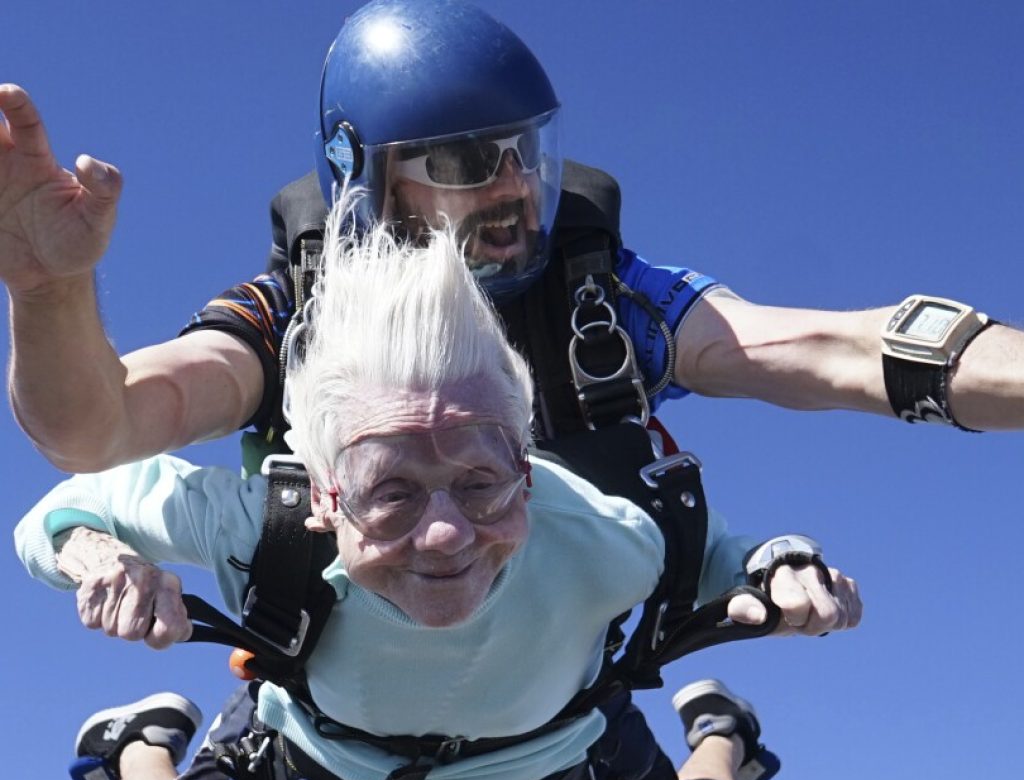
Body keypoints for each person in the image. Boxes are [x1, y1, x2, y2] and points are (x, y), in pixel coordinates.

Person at [15, 201, 862, 780]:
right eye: (390, 491)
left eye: (482, 482)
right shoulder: (258, 522)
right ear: (322, 498)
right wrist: (104, 559)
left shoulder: (604, 535)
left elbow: (713, 547)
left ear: (527, 472)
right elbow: (54, 516)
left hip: (545, 772)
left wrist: (783, 562)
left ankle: (723, 736)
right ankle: (141, 745)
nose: (447, 534)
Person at [1, 0, 1021, 481]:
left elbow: (835, 349)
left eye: (523, 155)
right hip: (340, 708)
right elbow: (98, 428)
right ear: (361, 176)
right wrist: (49, 295)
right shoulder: (293, 315)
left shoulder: (603, 300)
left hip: (546, 708)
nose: (507, 189)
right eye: (455, 163)